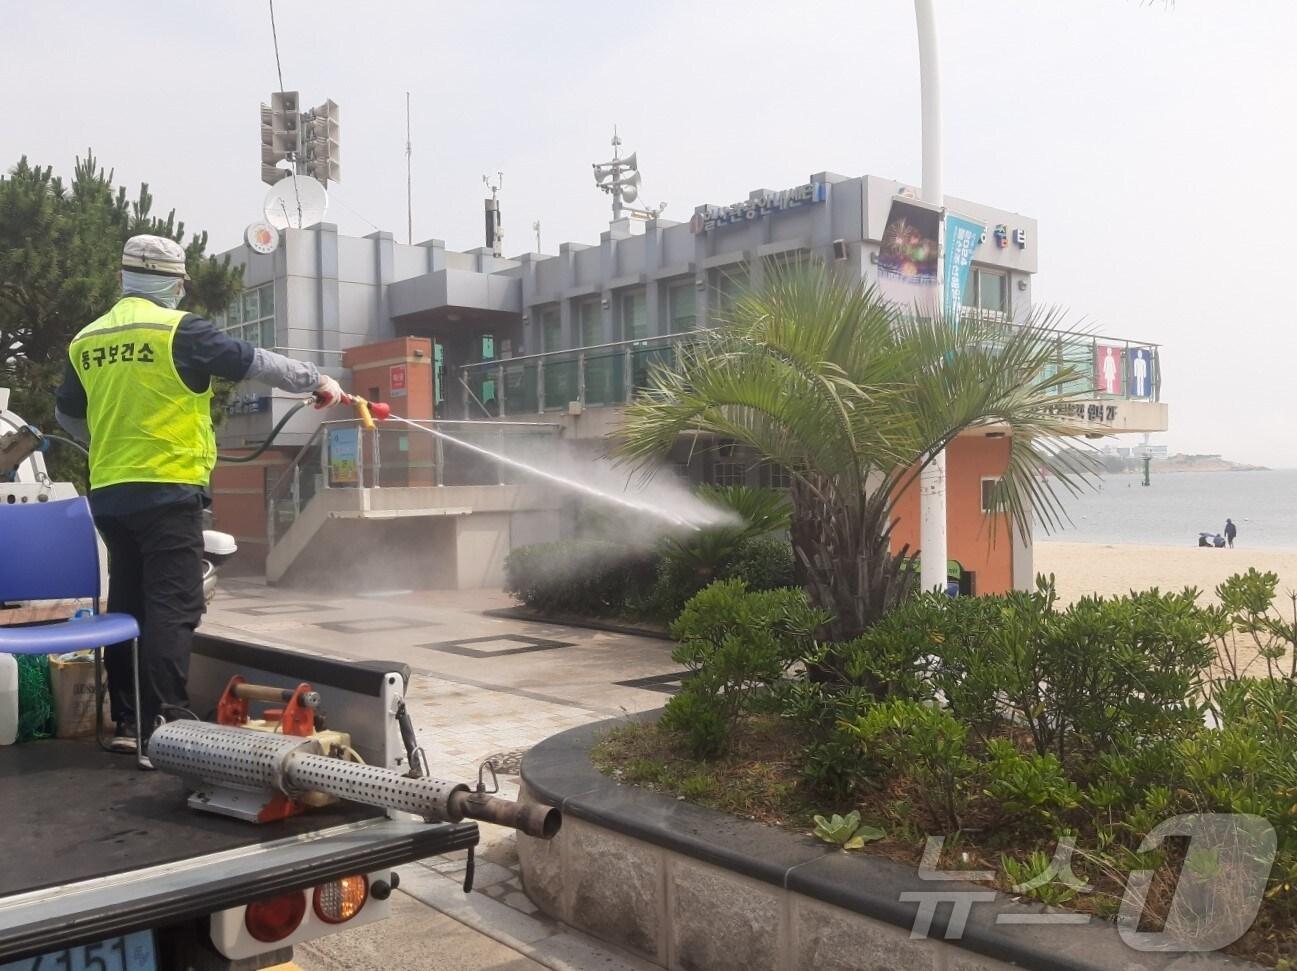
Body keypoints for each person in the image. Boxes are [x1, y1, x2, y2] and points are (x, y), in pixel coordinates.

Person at [55, 235, 344, 766]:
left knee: (128, 605)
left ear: (123, 279)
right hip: (167, 490)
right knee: (173, 606)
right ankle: (164, 724)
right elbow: (255, 361)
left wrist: (112, 438)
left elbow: (67, 416)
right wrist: (318, 380)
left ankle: (128, 721)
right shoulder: (180, 331)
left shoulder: (86, 340)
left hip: (112, 494)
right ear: (173, 282)